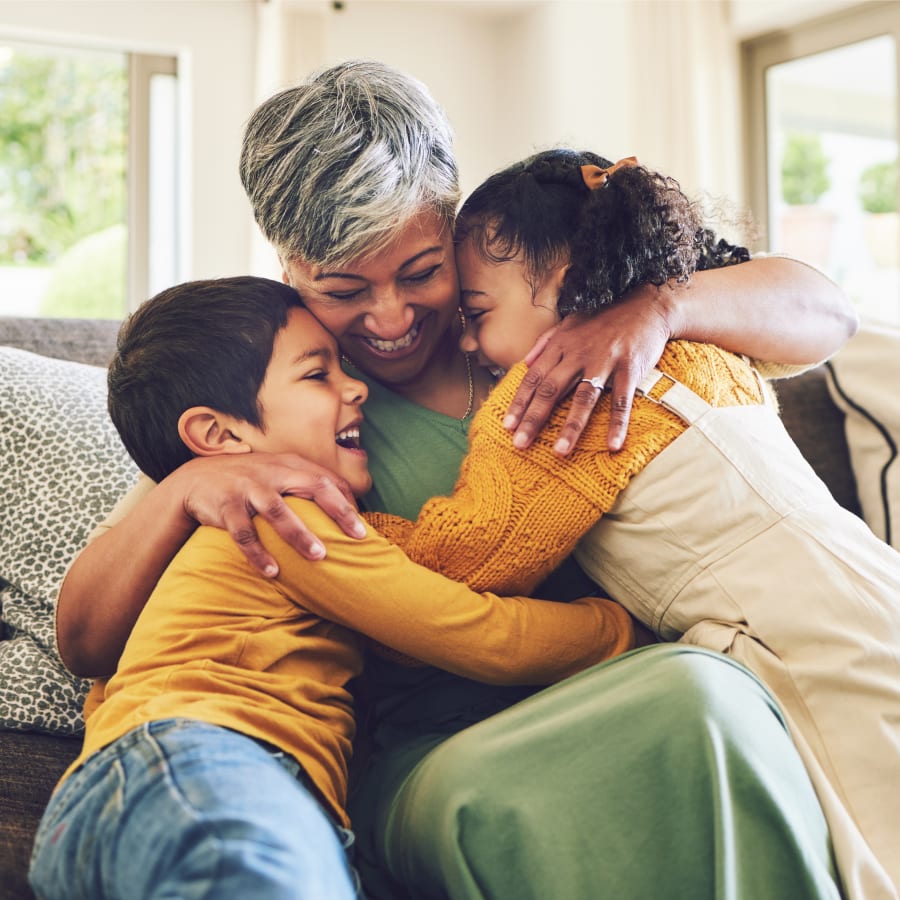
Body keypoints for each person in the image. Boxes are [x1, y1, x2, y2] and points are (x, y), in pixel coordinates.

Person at [55, 60, 857, 900]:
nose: (392, 320)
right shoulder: (280, 404)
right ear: (289, 271)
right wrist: (183, 490)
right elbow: (85, 639)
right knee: (694, 696)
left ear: (452, 224)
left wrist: (659, 309)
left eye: (420, 272)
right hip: (437, 753)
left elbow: (826, 314)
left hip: (631, 679)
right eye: (342, 290)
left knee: (716, 697)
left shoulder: (550, 312)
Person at [360, 148, 900, 900]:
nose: (468, 341)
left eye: (478, 314)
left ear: (565, 281)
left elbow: (468, 558)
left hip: (797, 637)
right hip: (872, 588)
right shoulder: (709, 346)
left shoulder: (561, 399)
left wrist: (326, 527)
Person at [28, 276, 635, 900]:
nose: (356, 386)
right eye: (317, 375)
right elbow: (482, 634)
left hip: (136, 800)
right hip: (201, 768)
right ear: (220, 437)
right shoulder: (280, 515)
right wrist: (623, 629)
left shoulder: (216, 521)